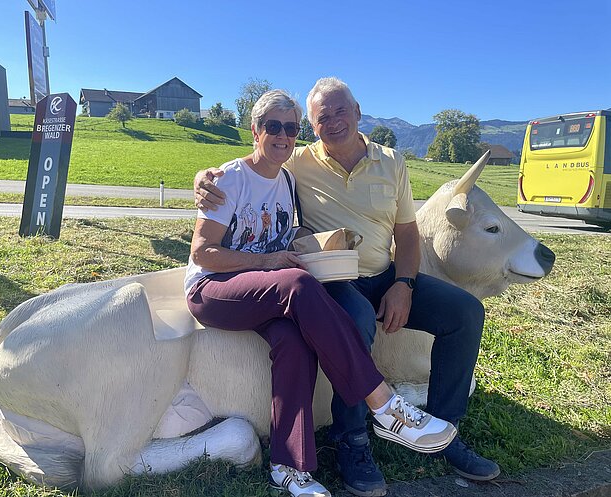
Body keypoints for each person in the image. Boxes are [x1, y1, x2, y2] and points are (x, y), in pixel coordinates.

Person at [194, 78, 501, 496]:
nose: (284, 135)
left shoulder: (376, 163)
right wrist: (203, 179)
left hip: (373, 274)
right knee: (344, 312)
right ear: (259, 129)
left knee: (464, 312)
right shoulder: (294, 163)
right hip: (316, 281)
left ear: (357, 112)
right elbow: (217, 220)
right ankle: (364, 430)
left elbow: (406, 234)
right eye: (321, 118)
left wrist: (404, 283)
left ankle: (440, 434)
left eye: (290, 127)